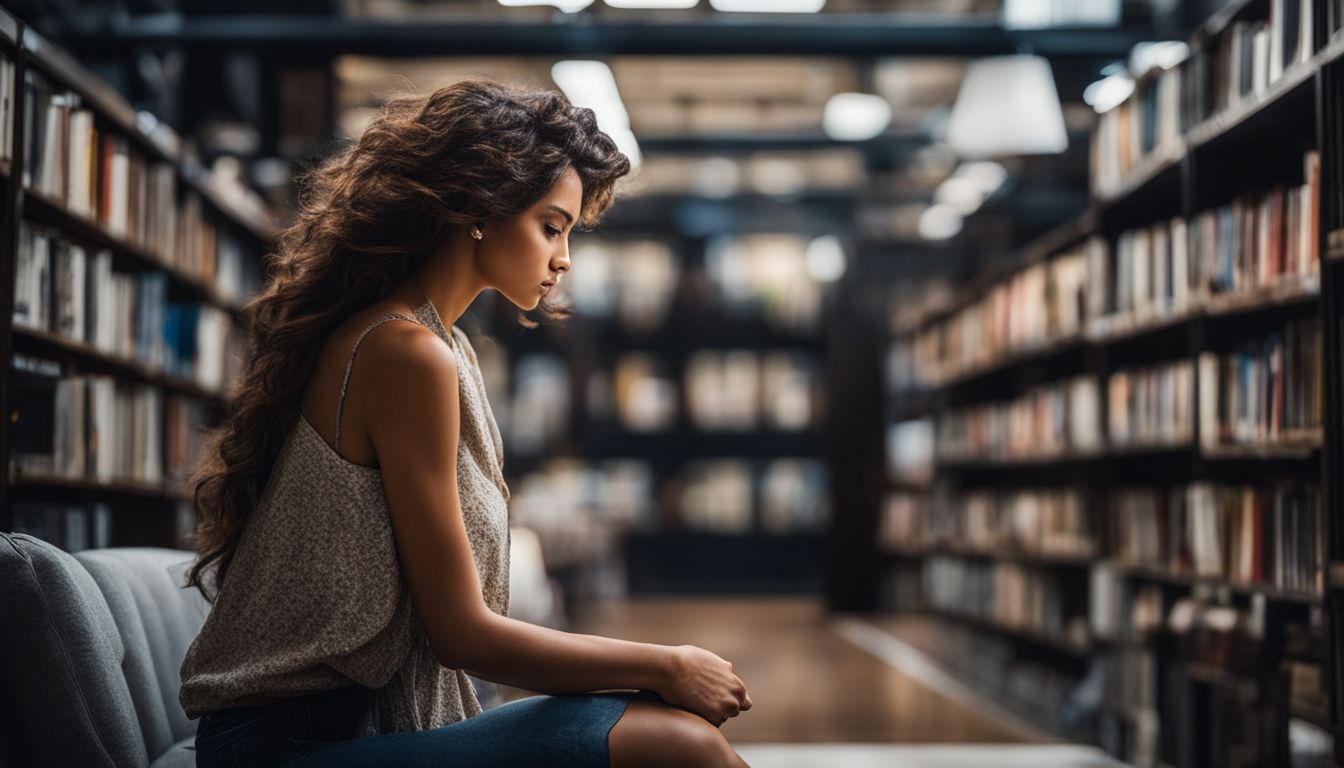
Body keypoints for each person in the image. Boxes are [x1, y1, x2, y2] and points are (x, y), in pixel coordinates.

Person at [178, 79, 753, 768]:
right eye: (552, 225)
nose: (563, 257)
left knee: (662, 731)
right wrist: (666, 664)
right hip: (294, 745)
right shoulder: (404, 352)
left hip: (363, 726)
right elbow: (464, 637)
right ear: (484, 206)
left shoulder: (441, 346)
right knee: (677, 741)